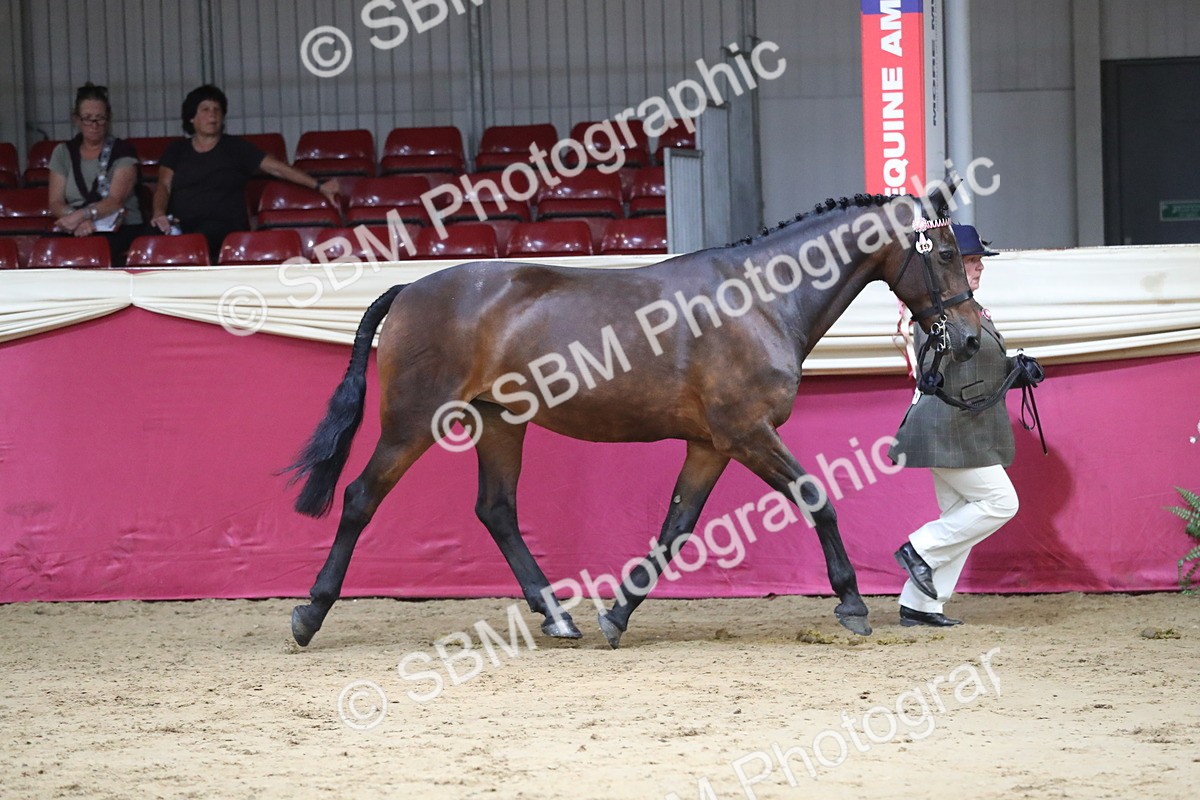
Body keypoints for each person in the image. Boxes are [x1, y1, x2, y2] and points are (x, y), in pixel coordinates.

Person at [889, 223, 1036, 627]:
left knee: (959, 513)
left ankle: (921, 604)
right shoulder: (936, 312)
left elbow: (976, 361)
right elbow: (943, 361)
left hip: (964, 427)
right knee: (1000, 503)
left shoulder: (973, 310)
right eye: (971, 261)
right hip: (947, 426)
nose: (979, 268)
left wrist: (1013, 370)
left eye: (978, 261)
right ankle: (920, 549)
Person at [151, 85, 340, 259]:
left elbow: (277, 168)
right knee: (151, 236)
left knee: (203, 236)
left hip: (223, 227)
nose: (213, 115)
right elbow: (164, 186)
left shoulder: (236, 147)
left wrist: (318, 186)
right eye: (206, 110)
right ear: (191, 117)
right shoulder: (177, 150)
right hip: (181, 224)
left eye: (217, 110)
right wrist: (159, 215)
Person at [47, 83, 148, 267]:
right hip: (77, 227)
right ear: (76, 119)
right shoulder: (62, 152)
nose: (94, 125)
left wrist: (83, 215)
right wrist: (75, 220)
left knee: (96, 250)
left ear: (108, 119)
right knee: (48, 248)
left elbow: (115, 200)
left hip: (119, 227)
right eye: (87, 118)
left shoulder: (123, 150)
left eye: (100, 118)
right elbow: (55, 202)